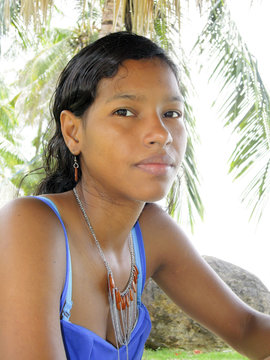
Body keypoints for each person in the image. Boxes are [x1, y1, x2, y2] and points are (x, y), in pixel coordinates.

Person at [0, 31, 269, 360]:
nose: (160, 134)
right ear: (73, 132)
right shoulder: (29, 225)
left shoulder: (150, 231)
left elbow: (246, 328)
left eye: (171, 113)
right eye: (125, 112)